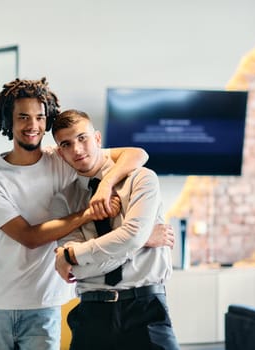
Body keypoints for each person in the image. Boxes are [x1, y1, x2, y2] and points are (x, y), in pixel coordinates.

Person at [0, 77, 161, 350]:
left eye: (39, 117)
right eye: (23, 117)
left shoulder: (61, 157)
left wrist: (105, 186)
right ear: (8, 120)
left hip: (45, 301)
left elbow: (136, 154)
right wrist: (88, 213)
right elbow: (29, 236)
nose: (33, 125)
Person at [51, 109, 179, 350]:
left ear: (97, 138)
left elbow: (130, 237)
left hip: (146, 308)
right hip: (92, 313)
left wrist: (72, 254)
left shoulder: (142, 179)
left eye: (82, 138)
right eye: (66, 144)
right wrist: (141, 241)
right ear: (60, 152)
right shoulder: (63, 200)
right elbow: (80, 269)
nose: (77, 149)